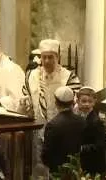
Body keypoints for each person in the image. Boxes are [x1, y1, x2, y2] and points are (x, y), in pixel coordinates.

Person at [18, 39, 82, 178]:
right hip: (37, 129)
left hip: (61, 131)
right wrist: (25, 104)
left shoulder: (69, 77)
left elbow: (76, 104)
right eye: (44, 57)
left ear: (57, 58)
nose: (46, 61)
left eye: (50, 57)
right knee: (39, 165)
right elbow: (25, 96)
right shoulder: (31, 76)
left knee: (60, 168)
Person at [41, 86, 85, 174]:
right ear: (73, 102)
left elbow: (46, 154)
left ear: (56, 103)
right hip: (77, 171)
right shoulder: (82, 121)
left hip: (58, 172)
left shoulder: (52, 125)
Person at [74, 87, 106, 176]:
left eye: (90, 101)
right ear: (77, 101)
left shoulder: (96, 121)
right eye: (83, 101)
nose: (87, 104)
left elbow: (101, 144)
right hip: (82, 161)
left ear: (94, 102)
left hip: (93, 163)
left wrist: (82, 148)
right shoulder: (77, 117)